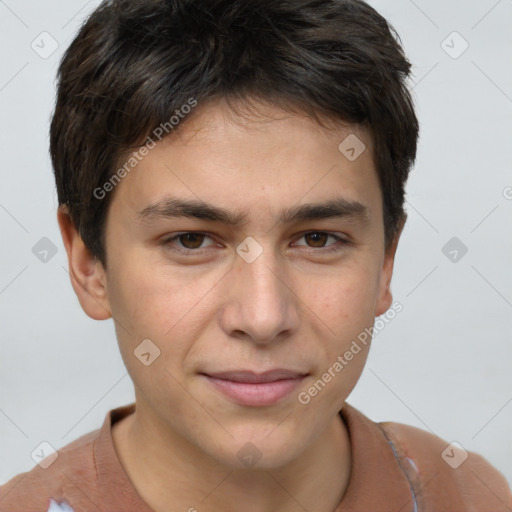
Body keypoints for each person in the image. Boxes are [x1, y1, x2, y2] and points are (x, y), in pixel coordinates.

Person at [1, 0, 510, 510]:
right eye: (191, 240)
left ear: (384, 262)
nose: (264, 318)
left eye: (317, 239)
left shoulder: (470, 496)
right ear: (89, 265)